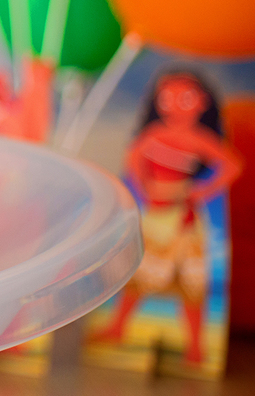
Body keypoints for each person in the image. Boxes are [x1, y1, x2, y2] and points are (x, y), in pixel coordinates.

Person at [90, 70, 242, 366]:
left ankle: (196, 346)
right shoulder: (154, 135)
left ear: (202, 102)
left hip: (184, 219)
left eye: (185, 98)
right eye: (167, 98)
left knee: (191, 285)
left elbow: (232, 165)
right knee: (138, 274)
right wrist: (144, 186)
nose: (175, 105)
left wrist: (201, 191)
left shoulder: (200, 140)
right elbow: (134, 158)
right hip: (155, 216)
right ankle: (117, 328)